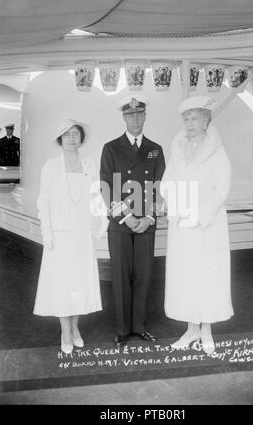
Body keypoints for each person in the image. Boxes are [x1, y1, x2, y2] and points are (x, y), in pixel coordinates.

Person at [161, 96, 234, 354]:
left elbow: (221, 188)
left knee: (207, 275)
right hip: (183, 223)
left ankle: (206, 331)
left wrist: (202, 214)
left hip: (208, 225)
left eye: (194, 117)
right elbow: (167, 182)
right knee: (187, 275)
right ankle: (191, 329)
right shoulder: (178, 148)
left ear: (206, 120)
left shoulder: (216, 149)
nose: (189, 123)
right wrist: (177, 206)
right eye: (186, 118)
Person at [100, 95, 166, 347]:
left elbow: (160, 186)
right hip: (120, 222)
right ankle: (122, 329)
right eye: (131, 115)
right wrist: (127, 217)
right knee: (120, 275)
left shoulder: (154, 148)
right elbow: (105, 185)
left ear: (145, 117)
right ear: (124, 118)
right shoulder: (111, 147)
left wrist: (149, 216)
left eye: (139, 114)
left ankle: (139, 326)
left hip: (147, 222)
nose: (135, 119)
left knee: (143, 275)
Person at [34, 119, 104, 354]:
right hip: (61, 234)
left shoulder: (90, 164)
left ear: (81, 138)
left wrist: (98, 225)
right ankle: (65, 330)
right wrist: (47, 233)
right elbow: (43, 202)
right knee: (63, 284)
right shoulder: (50, 166)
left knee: (79, 283)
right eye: (67, 134)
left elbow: (97, 198)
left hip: (82, 233)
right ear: (60, 139)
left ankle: (75, 327)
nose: (72, 138)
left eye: (76, 133)